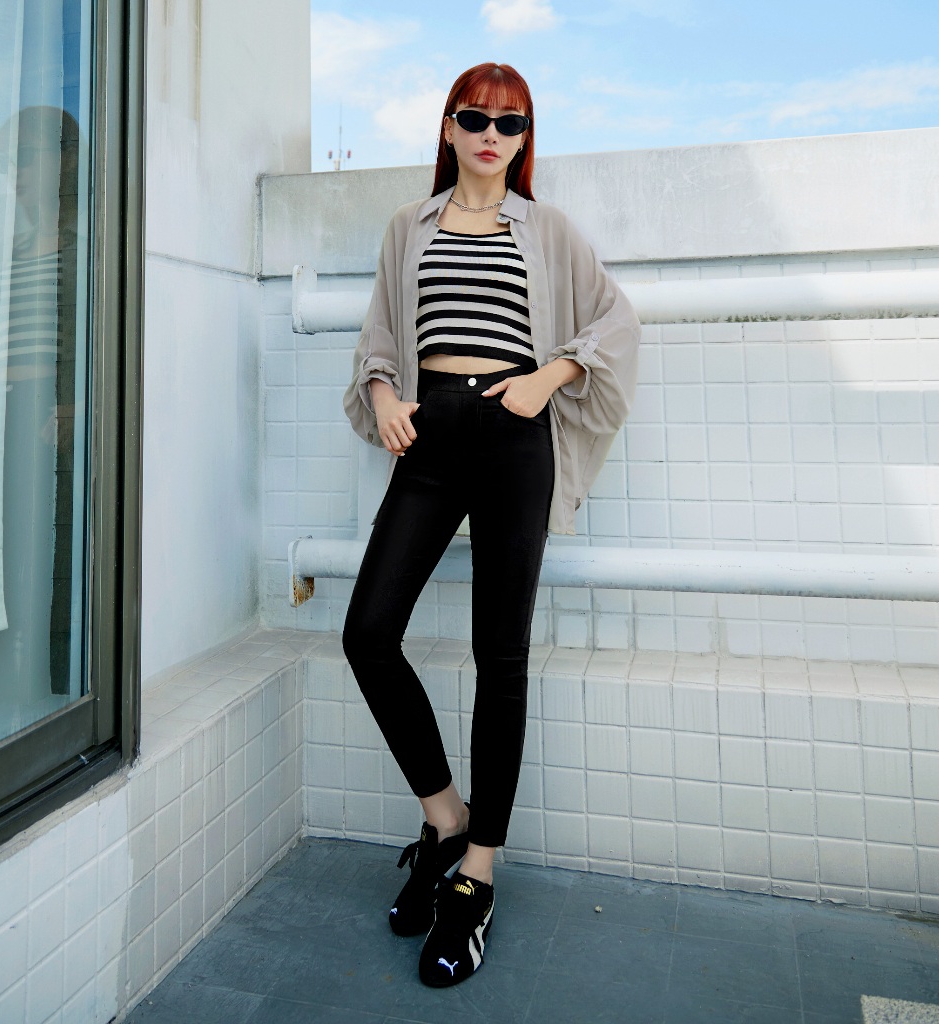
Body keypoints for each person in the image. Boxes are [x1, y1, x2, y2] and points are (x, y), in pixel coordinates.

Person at [341, 62, 640, 988]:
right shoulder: (410, 227)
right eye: (474, 118)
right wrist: (385, 396)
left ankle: (477, 872)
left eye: (510, 124)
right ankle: (445, 819)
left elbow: (614, 322)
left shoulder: (546, 229)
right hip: (431, 437)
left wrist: (548, 377)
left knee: (498, 654)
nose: (491, 136)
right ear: (447, 127)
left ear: (525, 138)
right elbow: (380, 339)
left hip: (514, 436)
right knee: (368, 633)